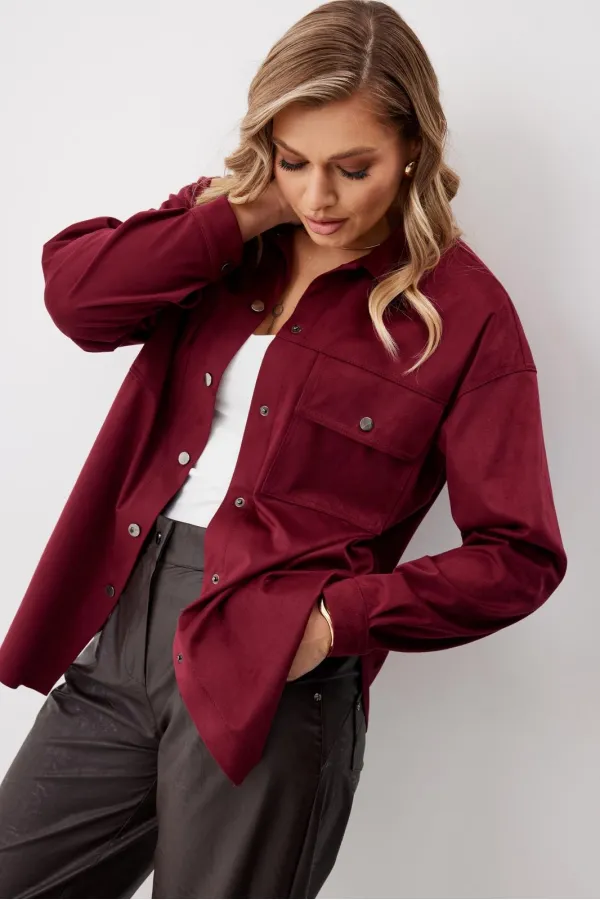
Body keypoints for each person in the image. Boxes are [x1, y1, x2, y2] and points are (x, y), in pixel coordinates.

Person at [0, 0, 567, 897]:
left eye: (353, 168)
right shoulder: (227, 238)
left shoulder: (467, 316)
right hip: (122, 637)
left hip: (274, 669)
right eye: (294, 161)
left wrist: (333, 623)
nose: (318, 199)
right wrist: (241, 211)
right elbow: (80, 303)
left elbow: (520, 555)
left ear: (412, 150)